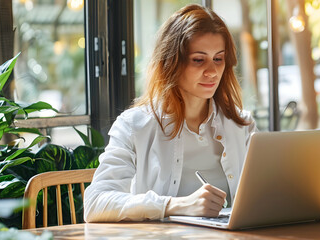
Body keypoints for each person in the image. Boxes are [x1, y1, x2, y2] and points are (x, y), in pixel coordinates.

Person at [84, 4, 256, 222]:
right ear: (171, 62)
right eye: (198, 60)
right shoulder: (134, 126)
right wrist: (174, 205)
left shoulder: (242, 125)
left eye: (218, 59)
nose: (212, 71)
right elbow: (95, 203)